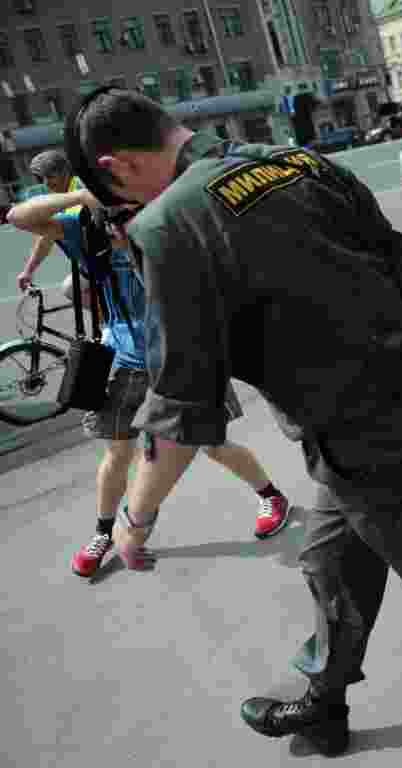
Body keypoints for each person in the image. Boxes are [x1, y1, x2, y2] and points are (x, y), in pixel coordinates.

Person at [66, 85, 402, 754]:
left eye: (118, 197)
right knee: (330, 559)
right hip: (383, 406)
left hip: (356, 430)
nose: (129, 212)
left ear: (117, 165)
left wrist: (135, 520)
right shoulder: (297, 162)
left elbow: (181, 414)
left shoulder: (170, 225)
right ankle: (323, 701)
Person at [6, 187, 292, 578]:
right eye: (115, 214)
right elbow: (19, 217)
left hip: (186, 359)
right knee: (117, 455)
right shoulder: (87, 231)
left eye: (128, 212)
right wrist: (84, 199)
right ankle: (103, 533)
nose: (122, 223)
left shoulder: (167, 223)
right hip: (126, 364)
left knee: (212, 444)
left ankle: (271, 497)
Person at [15, 150, 87, 301]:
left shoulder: (80, 187)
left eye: (51, 176)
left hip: (111, 262)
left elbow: (51, 231)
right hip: (91, 264)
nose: (46, 183)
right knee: (70, 289)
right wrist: (28, 271)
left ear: (65, 172)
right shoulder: (60, 199)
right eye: (42, 178)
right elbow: (46, 237)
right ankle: (105, 319)